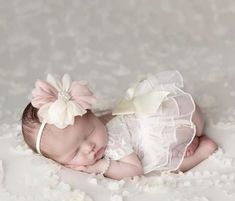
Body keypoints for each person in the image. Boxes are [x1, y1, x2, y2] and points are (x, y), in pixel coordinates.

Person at [21, 71, 218, 180]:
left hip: (164, 127)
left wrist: (100, 166)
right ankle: (193, 135)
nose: (89, 147)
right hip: (175, 110)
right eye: (75, 153)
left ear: (92, 115)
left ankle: (202, 150)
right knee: (188, 118)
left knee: (160, 167)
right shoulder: (102, 124)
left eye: (90, 132)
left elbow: (135, 171)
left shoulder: (113, 141)